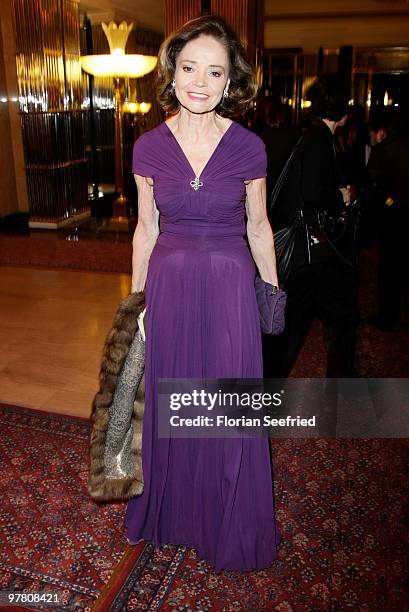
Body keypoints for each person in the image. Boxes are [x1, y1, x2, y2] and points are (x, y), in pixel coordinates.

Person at [124, 15, 281, 572]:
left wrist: (272, 297)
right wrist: (135, 306)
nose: (199, 81)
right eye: (189, 67)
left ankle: (227, 518)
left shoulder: (248, 148)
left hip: (230, 289)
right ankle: (174, 513)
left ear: (229, 82)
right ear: (173, 71)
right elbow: (146, 229)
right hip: (168, 285)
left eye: (214, 72)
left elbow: (260, 228)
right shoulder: (147, 147)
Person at [263, 73, 359, 378]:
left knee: (309, 321)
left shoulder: (311, 135)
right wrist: (340, 196)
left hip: (309, 251)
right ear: (343, 111)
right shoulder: (319, 139)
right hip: (308, 250)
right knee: (302, 326)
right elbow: (313, 191)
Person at [367, 113, 409, 331]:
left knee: (389, 269)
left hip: (392, 218)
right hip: (402, 216)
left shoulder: (383, 151)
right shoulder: (403, 146)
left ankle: (387, 317)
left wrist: (387, 203)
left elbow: (375, 187)